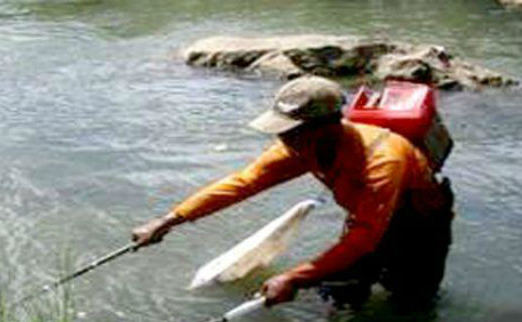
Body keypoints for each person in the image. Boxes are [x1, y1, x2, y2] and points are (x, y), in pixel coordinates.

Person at [132, 76, 453, 309]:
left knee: (410, 301)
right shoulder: (302, 148)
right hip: (365, 216)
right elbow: (242, 183)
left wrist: (295, 277)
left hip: (418, 226)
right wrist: (168, 220)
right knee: (341, 293)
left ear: (326, 128)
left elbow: (364, 238)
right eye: (281, 132)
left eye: (290, 133)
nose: (283, 141)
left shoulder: (383, 159)